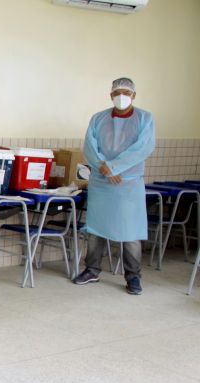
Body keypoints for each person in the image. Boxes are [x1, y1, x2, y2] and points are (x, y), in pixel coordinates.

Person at [73, 77, 155, 295]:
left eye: (126, 93)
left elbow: (143, 148)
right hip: (101, 182)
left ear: (134, 96)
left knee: (130, 233)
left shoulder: (145, 118)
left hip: (128, 184)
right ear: (111, 95)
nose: (122, 96)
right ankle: (91, 270)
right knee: (95, 230)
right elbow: (90, 147)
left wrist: (116, 168)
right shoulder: (98, 118)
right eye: (117, 92)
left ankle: (133, 277)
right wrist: (104, 168)